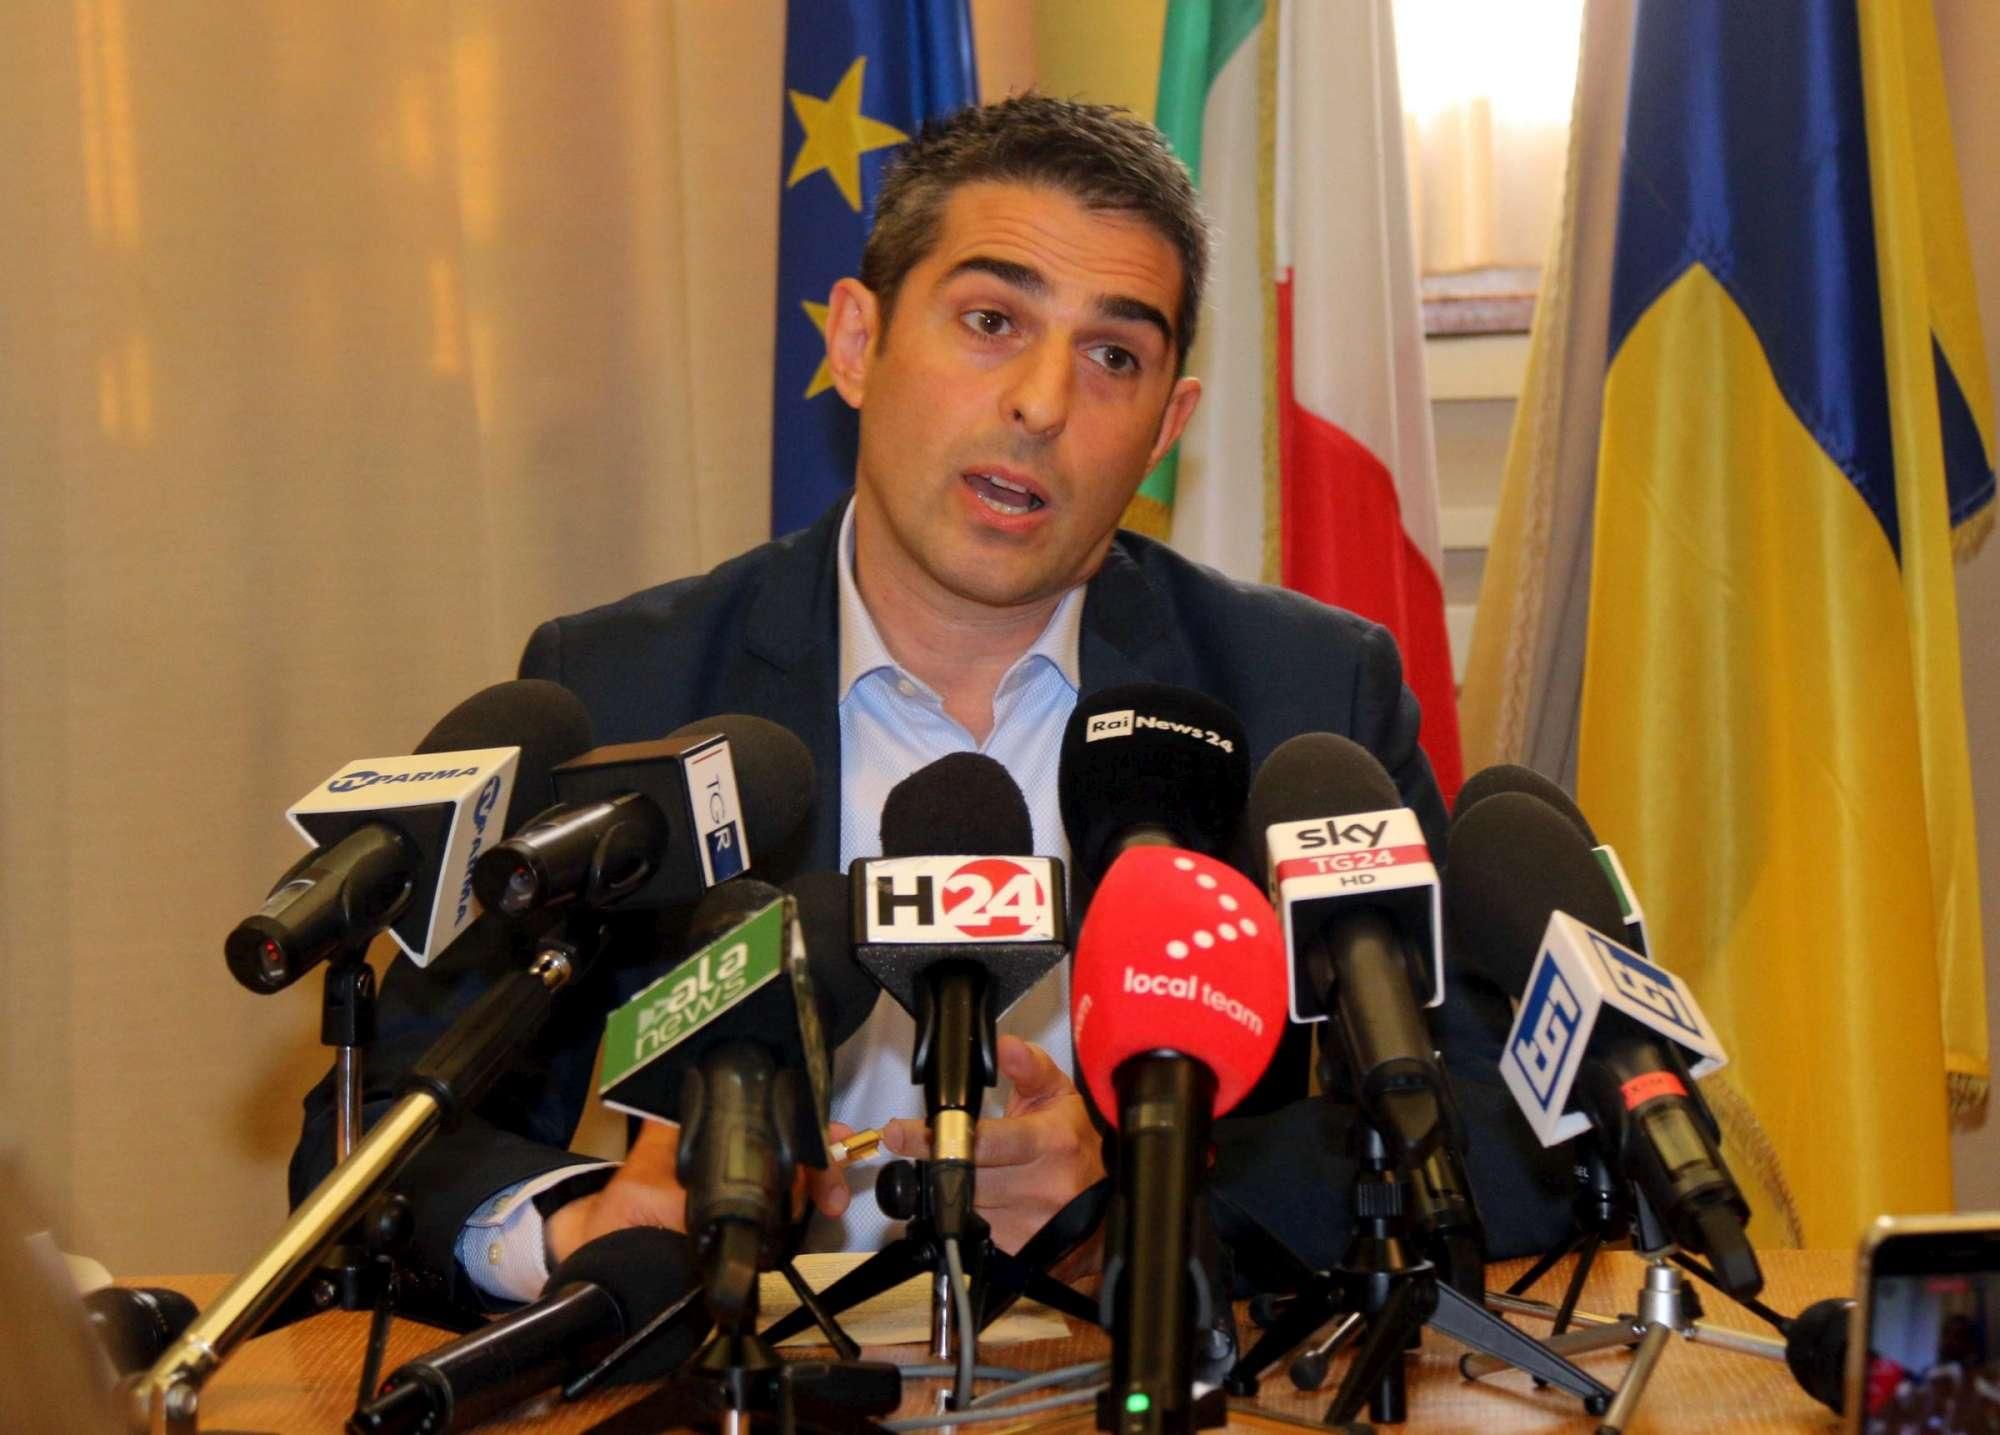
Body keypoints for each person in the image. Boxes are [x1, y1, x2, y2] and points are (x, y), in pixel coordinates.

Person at [292, 94, 1570, 1316]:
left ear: (1167, 425)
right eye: (991, 321)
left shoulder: (1301, 697)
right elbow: (372, 1134)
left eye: (1112, 356)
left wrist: (1150, 1203)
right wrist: (583, 1224)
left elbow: (1508, 1125)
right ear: (855, 342)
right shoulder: (632, 687)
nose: (1041, 404)